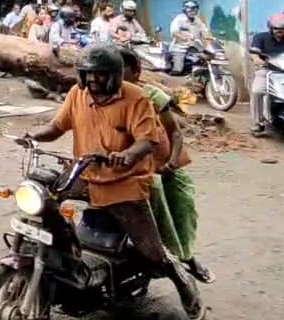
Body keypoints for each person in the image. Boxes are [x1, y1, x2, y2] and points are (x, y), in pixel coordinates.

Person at [23, 44, 204, 319]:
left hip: (124, 182)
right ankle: (60, 258)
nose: (93, 81)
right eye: (88, 75)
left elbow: (146, 140)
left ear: (116, 75)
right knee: (42, 199)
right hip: (84, 175)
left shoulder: (137, 98)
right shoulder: (76, 94)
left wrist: (125, 156)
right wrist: (33, 136)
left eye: (100, 75)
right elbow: (56, 127)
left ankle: (183, 282)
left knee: (152, 251)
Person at [119, 48, 215, 284]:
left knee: (182, 211)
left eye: (122, 72)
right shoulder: (104, 98)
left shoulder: (152, 96)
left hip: (163, 168)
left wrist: (171, 164)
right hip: (131, 172)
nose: (115, 78)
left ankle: (187, 258)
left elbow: (175, 134)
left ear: (137, 72)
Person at [168, 1, 209, 74]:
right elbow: (174, 32)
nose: (193, 12)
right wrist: (185, 38)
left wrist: (213, 38)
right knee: (178, 70)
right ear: (185, 10)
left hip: (195, 47)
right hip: (180, 48)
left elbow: (205, 32)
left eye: (195, 9)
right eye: (190, 10)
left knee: (207, 59)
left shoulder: (198, 20)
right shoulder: (179, 19)